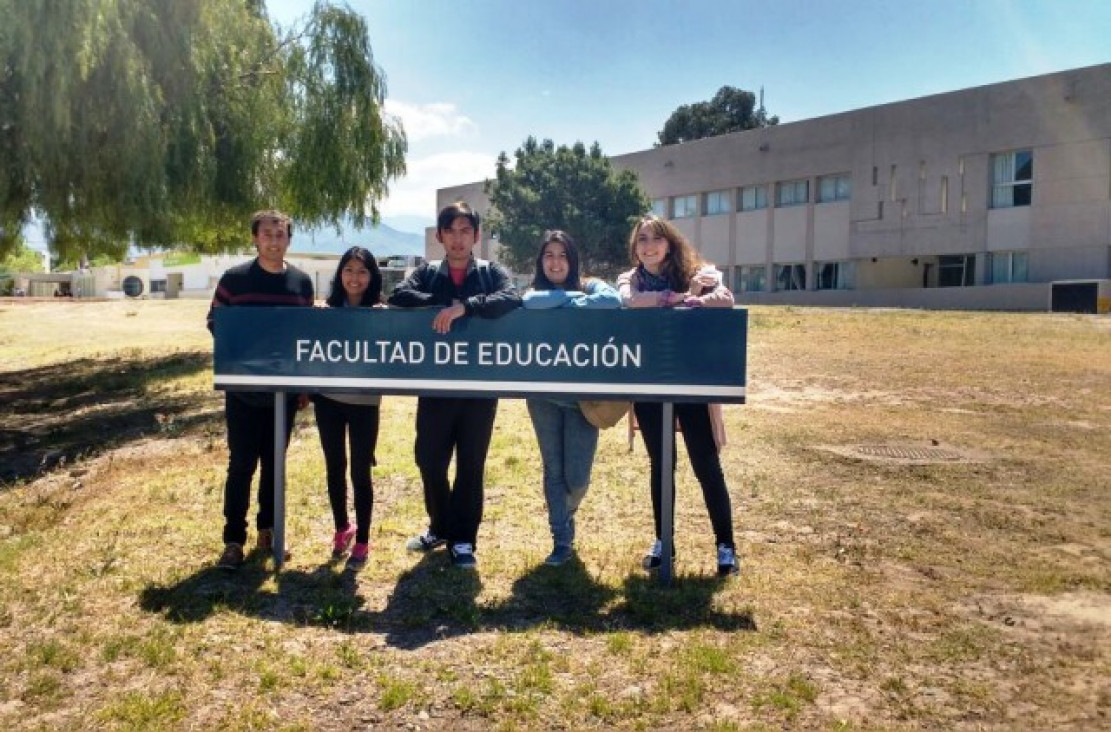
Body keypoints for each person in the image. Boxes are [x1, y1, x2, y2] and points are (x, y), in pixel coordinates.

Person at [387, 201, 521, 569]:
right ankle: (440, 526)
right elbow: (397, 296)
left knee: (470, 465)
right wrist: (443, 302)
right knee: (429, 460)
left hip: (479, 387)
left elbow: (511, 297)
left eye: (466, 231)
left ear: (476, 236)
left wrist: (467, 307)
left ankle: (464, 540)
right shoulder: (427, 273)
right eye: (452, 231)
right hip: (435, 385)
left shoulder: (490, 272)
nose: (459, 239)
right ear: (441, 236)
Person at [616, 213, 740, 577]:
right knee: (661, 464)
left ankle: (726, 546)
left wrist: (698, 300)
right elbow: (630, 300)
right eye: (642, 240)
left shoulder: (697, 272)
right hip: (650, 383)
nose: (649, 246)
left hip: (691, 382)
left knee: (705, 462)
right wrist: (676, 299)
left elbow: (726, 298)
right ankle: (663, 542)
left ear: (669, 243)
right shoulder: (631, 278)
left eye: (656, 239)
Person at [206, 210, 315, 570]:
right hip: (243, 392)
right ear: (255, 238)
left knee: (275, 465)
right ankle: (233, 541)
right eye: (267, 234)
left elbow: (305, 338)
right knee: (241, 465)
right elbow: (215, 322)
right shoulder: (234, 280)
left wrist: (302, 388)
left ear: (288, 240)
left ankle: (269, 532)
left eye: (280, 234)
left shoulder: (301, 283)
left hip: (283, 393)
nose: (273, 240)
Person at [522, 230, 621, 566]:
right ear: (541, 260)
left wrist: (568, 298)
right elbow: (529, 303)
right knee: (553, 470)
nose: (555, 261)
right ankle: (561, 539)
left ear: (573, 259)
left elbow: (613, 301)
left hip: (583, 400)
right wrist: (571, 301)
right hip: (543, 397)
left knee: (577, 476)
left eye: (562, 255)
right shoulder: (536, 291)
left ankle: (566, 513)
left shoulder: (590, 285)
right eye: (549, 255)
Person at [312, 246, 384, 569]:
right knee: (334, 467)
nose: (355, 278)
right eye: (349, 270)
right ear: (340, 274)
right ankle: (342, 528)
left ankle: (364, 540)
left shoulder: (382, 314)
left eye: (362, 271)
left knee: (360, 472)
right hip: (328, 402)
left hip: (365, 404)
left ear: (372, 277)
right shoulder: (324, 312)